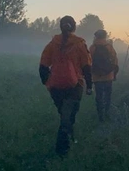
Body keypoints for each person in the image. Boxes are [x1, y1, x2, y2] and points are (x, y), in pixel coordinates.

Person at [39, 16, 92, 156]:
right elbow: (86, 67)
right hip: (75, 86)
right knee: (68, 117)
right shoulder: (80, 44)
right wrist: (90, 85)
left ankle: (69, 138)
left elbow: (43, 66)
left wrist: (47, 83)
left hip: (55, 87)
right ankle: (62, 150)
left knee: (64, 114)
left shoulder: (52, 44)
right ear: (74, 27)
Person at [89, 30, 119, 121]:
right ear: (105, 36)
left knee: (99, 96)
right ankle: (107, 113)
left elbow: (88, 62)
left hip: (96, 77)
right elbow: (115, 62)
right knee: (107, 96)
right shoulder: (109, 47)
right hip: (108, 76)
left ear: (96, 37)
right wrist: (114, 74)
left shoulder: (92, 48)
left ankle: (100, 116)